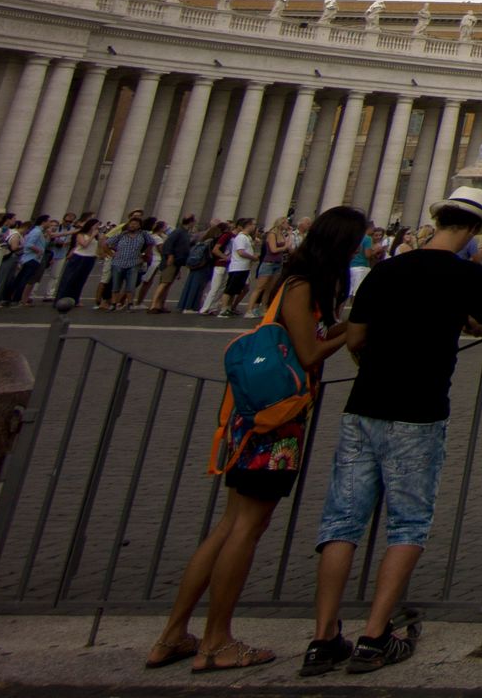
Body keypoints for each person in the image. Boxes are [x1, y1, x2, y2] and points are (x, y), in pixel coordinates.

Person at [304, 188, 482, 677]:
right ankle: (375, 637)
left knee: (341, 523)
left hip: (364, 405)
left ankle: (322, 639)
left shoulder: (387, 268)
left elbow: (354, 335)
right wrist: (467, 323)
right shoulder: (466, 274)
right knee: (407, 524)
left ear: (438, 218)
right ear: (473, 231)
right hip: (419, 410)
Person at [153, 207, 363, 674]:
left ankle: (172, 635)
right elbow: (308, 351)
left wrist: (351, 323)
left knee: (229, 526)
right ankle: (216, 641)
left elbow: (311, 335)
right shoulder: (302, 285)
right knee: (246, 528)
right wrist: (348, 337)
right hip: (275, 423)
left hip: (256, 418)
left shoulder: (298, 283)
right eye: (354, 244)